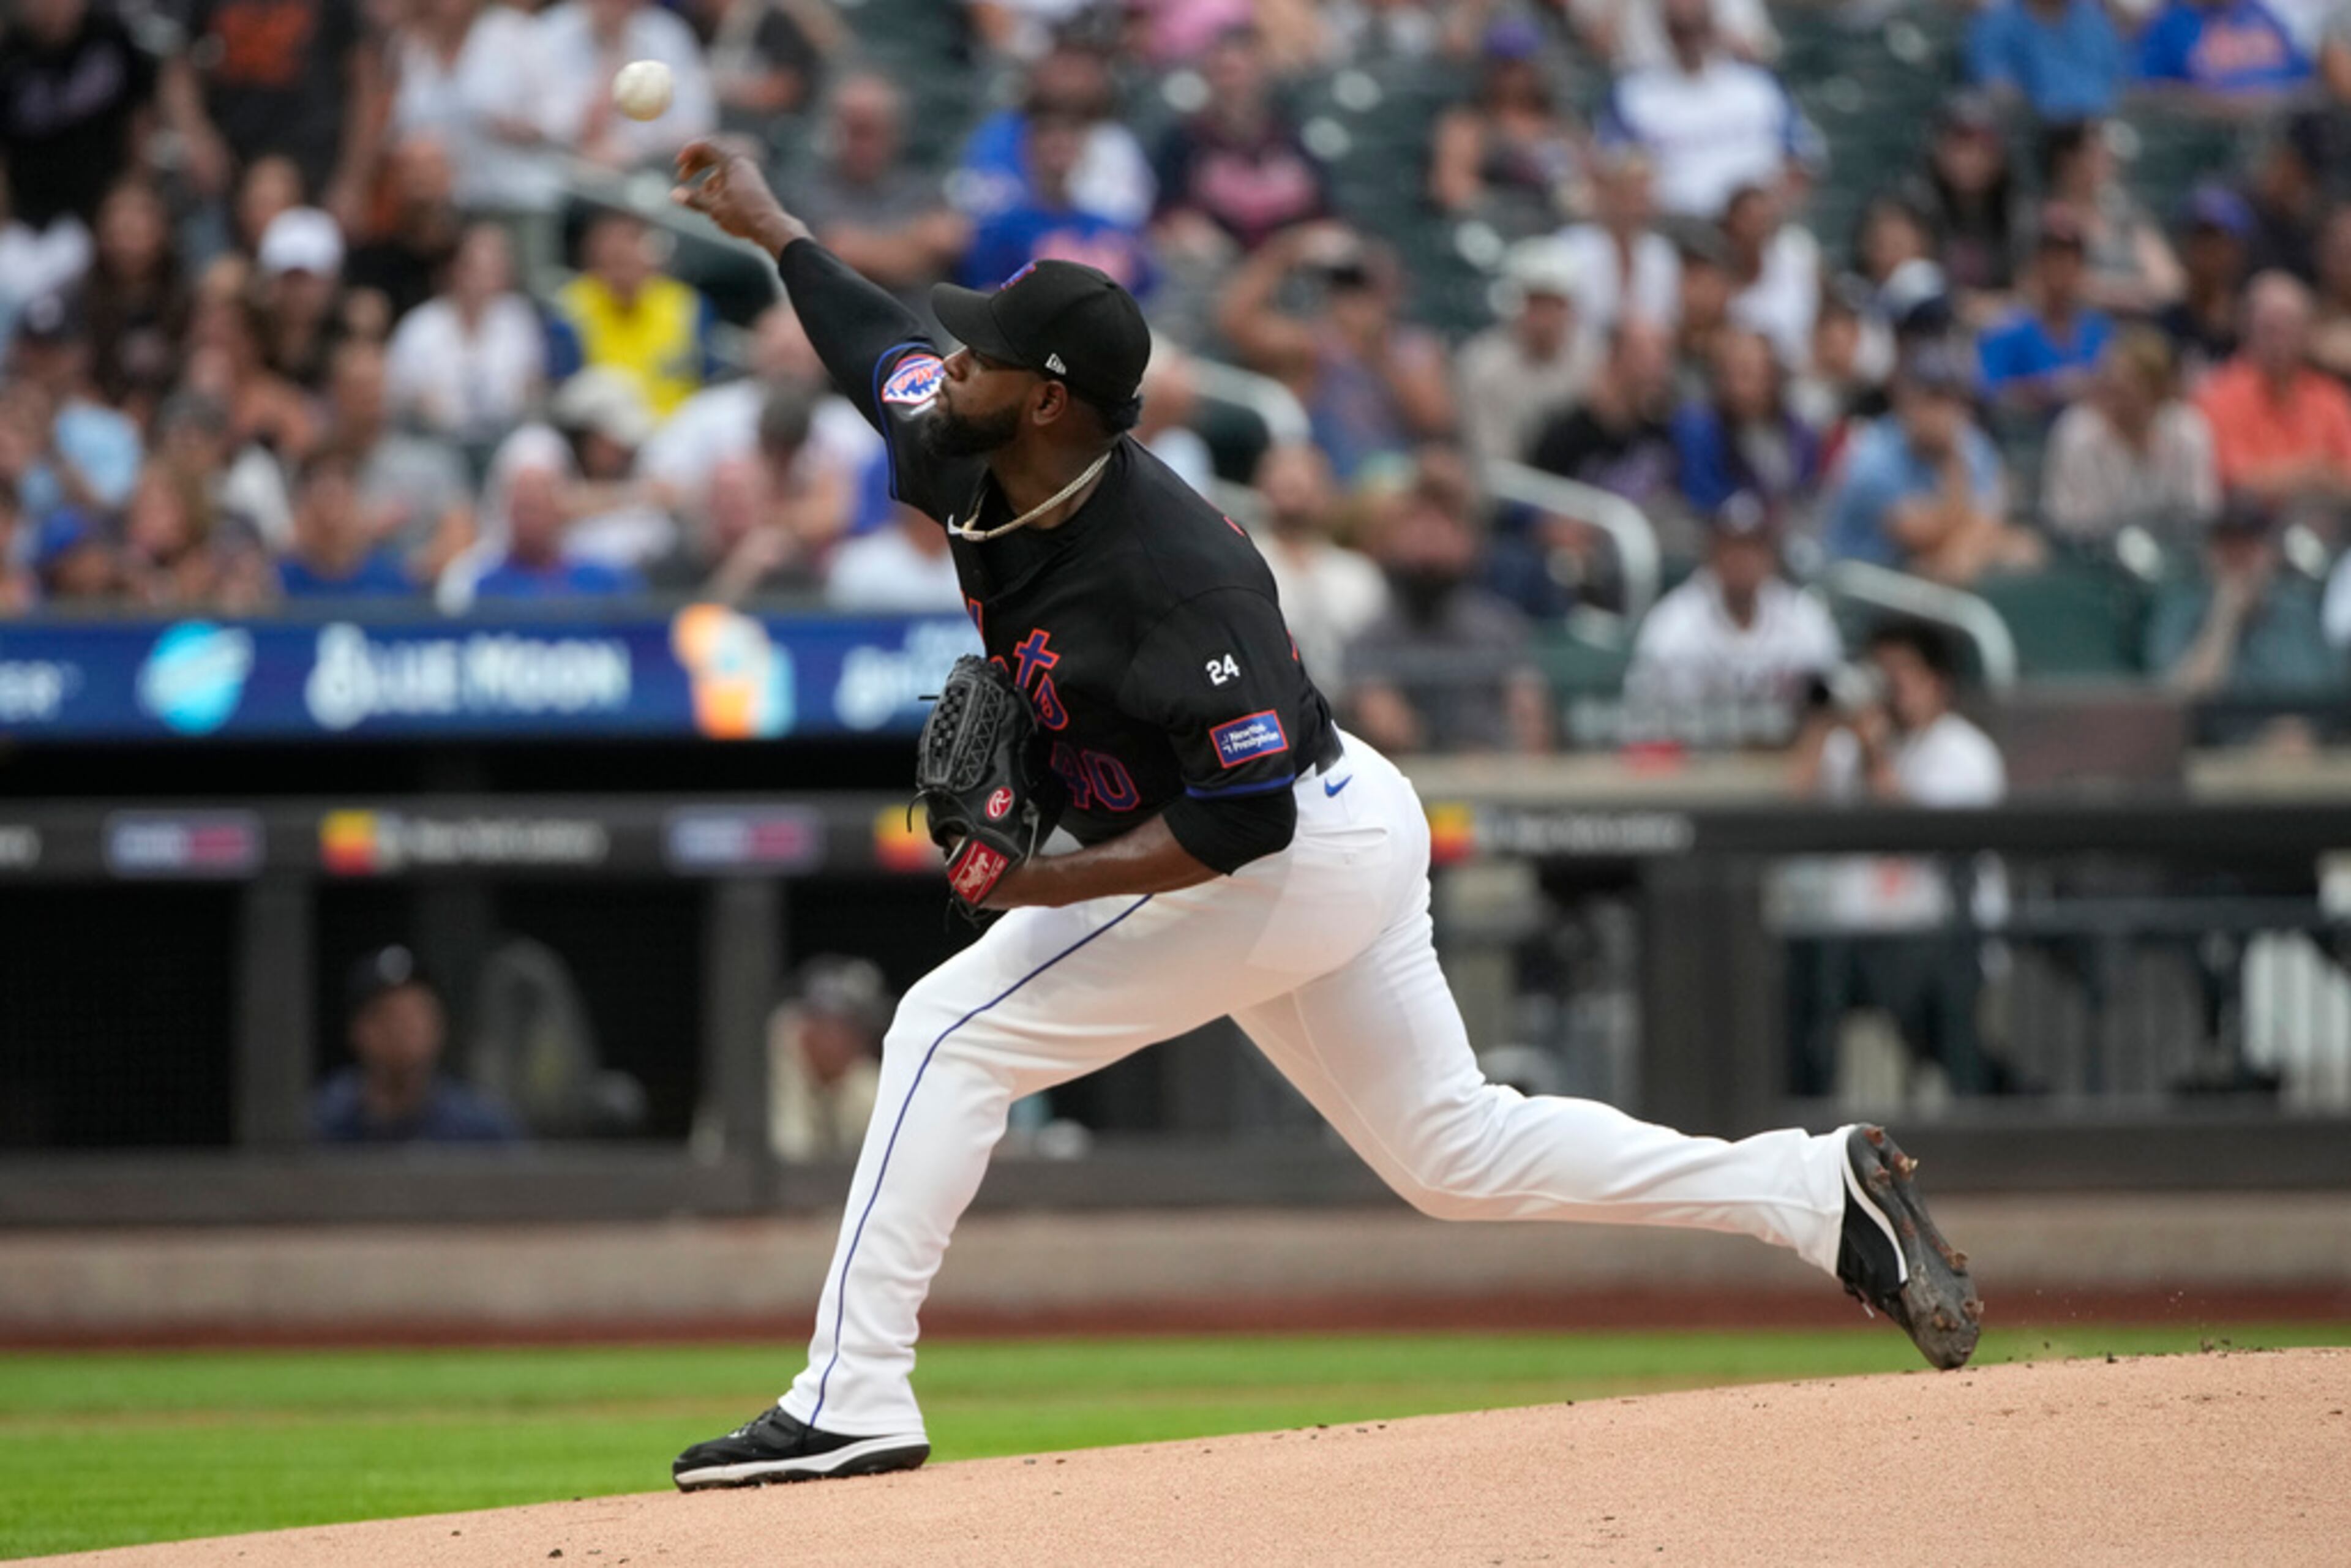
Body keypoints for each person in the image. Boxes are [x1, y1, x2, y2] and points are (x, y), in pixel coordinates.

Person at [662, 137, 1983, 1485]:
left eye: (989, 354)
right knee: (1451, 1150)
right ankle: (1813, 1191)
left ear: (1054, 403)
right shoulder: (965, 437)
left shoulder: (1175, 581)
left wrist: (1041, 884)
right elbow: (875, 338)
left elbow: (1245, 828)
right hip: (1330, 823)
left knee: (946, 1029)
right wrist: (773, 224)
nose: (955, 366)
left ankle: (855, 1393)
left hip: (1281, 845)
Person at [1217, 222, 1455, 483]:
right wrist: (1286, 253)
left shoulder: (1413, 349)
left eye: (1368, 285)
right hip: (1325, 481)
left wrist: (1376, 348)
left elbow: (1434, 422)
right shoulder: (1313, 342)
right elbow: (1235, 323)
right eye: (1348, 284)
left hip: (1392, 487)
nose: (1357, 296)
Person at [1624, 491, 1842, 746]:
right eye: (1731, 548)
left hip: (1787, 765)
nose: (1743, 560)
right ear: (1711, 554)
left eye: (1753, 548)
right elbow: (1641, 718)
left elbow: (1834, 708)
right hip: (1696, 770)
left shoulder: (1804, 619)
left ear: (1770, 557)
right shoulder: (1672, 624)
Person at [1823, 345, 2039, 584]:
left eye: (1951, 399)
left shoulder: (1972, 443)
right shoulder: (1872, 454)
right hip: (1858, 591)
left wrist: (1964, 552)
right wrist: (1953, 463)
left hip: (1917, 584)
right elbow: (1922, 535)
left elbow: (1990, 517)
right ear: (1905, 400)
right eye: (1933, 399)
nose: (1943, 413)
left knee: (2025, 549)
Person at [1596, 0, 1821, 221]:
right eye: (1681, 28)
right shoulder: (1634, 94)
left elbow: (1801, 161)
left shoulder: (1757, 84)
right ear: (1666, 28)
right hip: (1675, 232)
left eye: (1697, 25)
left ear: (1713, 24)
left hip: (1755, 227)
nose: (1691, 38)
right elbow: (1613, 170)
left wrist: (1775, 208)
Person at [179, 0, 384, 229]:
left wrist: (352, 181)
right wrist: (197, 136)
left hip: (317, 164)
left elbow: (366, 86)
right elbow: (179, 68)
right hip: (230, 165)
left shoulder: (337, 7)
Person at [789, 73, 968, 328]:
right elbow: (839, 253)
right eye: (853, 131)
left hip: (920, 331)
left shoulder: (919, 185)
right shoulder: (810, 188)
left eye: (871, 132)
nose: (861, 144)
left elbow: (948, 241)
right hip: (839, 328)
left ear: (895, 132)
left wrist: (872, 250)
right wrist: (916, 247)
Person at [1151, 24, 1330, 261]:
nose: (1235, 84)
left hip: (1290, 256)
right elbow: (1165, 213)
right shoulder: (1185, 140)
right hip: (1213, 264)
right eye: (1224, 72)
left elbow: (1325, 209)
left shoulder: (1292, 134)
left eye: (1243, 71)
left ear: (1264, 74)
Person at [313, 945, 522, 1144]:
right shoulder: (322, 1121)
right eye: (388, 1015)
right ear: (357, 1030)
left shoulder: (482, 1130)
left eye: (417, 1014)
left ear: (440, 1026)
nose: (404, 1029)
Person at [2041, 326, 2220, 544]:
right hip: (2094, 561)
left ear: (2159, 392)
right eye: (2110, 385)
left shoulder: (2189, 432)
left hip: (2175, 554)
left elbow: (2200, 514)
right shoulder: (2077, 434)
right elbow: (2070, 525)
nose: (2114, 398)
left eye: (2126, 389)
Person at [2151, 498, 2337, 703]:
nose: (2238, 558)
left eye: (2248, 547)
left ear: (2272, 553)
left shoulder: (2299, 613)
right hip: (2211, 734)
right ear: (2207, 554)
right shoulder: (2180, 610)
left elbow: (2323, 700)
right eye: (2227, 547)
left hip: (2290, 731)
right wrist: (2225, 617)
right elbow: (2178, 701)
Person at [2197, 271, 2351, 520]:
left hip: (2327, 532)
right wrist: (2314, 473)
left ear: (2307, 334)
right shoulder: (2216, 396)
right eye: (2269, 330)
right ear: (2246, 330)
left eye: (2289, 329)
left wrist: (2280, 480)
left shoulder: (2330, 397)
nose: (2279, 343)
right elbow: (2235, 483)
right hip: (2250, 536)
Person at [0, 0, 159, 231]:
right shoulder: (9, 59)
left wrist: (138, 184)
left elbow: (139, 117)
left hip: (108, 205)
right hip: (32, 216)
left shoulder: (110, 39)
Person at [384, 223, 549, 445]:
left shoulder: (518, 320)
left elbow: (533, 388)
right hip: (434, 439)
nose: (485, 280)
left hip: (504, 436)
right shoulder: (420, 327)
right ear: (455, 270)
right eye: (477, 269)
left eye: (496, 269)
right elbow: (401, 398)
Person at [552, 209, 718, 421]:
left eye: (628, 260)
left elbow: (708, 380)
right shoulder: (571, 306)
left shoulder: (688, 305)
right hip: (604, 431)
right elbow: (568, 388)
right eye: (611, 261)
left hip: (676, 429)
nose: (620, 272)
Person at [1248, 443, 1389, 685]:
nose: (1294, 483)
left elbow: (1381, 656)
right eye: (1283, 478)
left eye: (1305, 479)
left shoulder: (1359, 575)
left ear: (1328, 493)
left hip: (1349, 705)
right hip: (1269, 699)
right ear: (1261, 489)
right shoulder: (1243, 564)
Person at [1427, 19, 1583, 234]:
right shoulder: (1467, 123)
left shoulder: (1561, 124)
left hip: (1559, 234)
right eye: (1506, 67)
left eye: (1523, 66)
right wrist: (1508, 209)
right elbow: (1450, 187)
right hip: (1493, 234)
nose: (1515, 77)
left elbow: (1589, 182)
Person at [1454, 238, 1592, 467]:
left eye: (1555, 304)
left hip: (1584, 484)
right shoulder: (1483, 366)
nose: (1545, 317)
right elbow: (1493, 466)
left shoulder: (1590, 355)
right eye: (1536, 303)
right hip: (1514, 493)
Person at [533, 0, 718, 171]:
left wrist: (634, 149)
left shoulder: (668, 36)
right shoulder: (553, 30)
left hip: (647, 172)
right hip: (556, 169)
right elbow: (538, 115)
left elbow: (695, 122)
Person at [1528, 316, 1679, 511]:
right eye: (1645, 356)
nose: (1657, 369)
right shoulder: (1564, 436)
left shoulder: (1662, 434)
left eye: (1663, 356)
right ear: (1613, 357)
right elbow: (1534, 509)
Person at [1672, 326, 1821, 522]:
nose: (1739, 385)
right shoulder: (1698, 430)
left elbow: (1807, 496)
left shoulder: (1801, 435)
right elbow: (1703, 500)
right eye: (1731, 372)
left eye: (1750, 373)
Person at [1976, 205, 2113, 417]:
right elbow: (1989, 395)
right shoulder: (2006, 329)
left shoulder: (2100, 329)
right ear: (2035, 264)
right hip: (2024, 442)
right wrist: (2049, 389)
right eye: (2052, 259)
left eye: (2070, 259)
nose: (2061, 269)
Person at [2039, 121, 2183, 319]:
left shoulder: (2129, 218)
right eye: (2095, 153)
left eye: (2108, 156)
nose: (2107, 162)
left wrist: (2103, 292)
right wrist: (2136, 293)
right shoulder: (2044, 221)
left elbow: (2170, 284)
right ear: (2066, 159)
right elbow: (2055, 286)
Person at [1553, 145, 1681, 359]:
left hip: (1643, 359)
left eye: (1644, 195)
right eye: (1629, 193)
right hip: (1580, 358)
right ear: (1608, 194)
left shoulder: (1661, 255)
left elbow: (1665, 323)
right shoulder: (1571, 247)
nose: (1637, 205)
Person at [765, 957, 890, 1164]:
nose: (858, 1043)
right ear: (810, 1026)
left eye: (863, 1030)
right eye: (848, 1028)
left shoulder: (853, 1072)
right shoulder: (768, 1065)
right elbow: (793, 1159)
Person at [277, 450, 414, 599]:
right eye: (323, 501)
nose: (332, 520)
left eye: (340, 501)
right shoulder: (279, 582)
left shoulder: (389, 579)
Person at [1967, 0, 2129, 122]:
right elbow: (1997, 86)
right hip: (2037, 137)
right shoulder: (1997, 23)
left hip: (2098, 130)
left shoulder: (2095, 22)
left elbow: (2119, 84)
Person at [2159, 184, 2254, 381]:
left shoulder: (2252, 329)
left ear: (2239, 252)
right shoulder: (2164, 325)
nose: (2208, 253)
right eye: (2199, 241)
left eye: (2218, 243)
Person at [2138, 0, 2311, 99]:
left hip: (2278, 136)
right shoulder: (2171, 24)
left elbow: (2306, 76)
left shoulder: (2258, 13)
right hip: (2209, 146)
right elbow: (2149, 95)